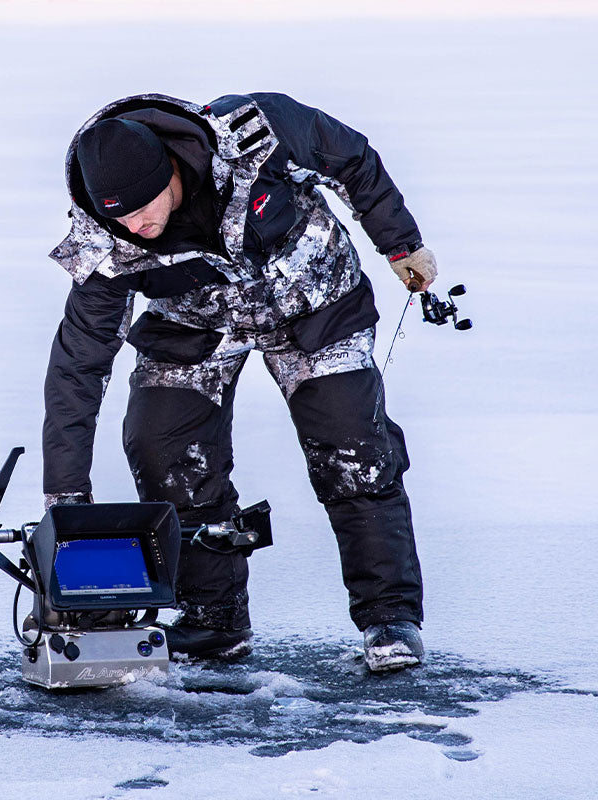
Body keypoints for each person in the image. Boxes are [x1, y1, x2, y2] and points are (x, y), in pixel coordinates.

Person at [42, 92, 435, 672]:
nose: (137, 227)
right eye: (118, 217)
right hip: (196, 321)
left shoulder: (254, 130)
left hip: (314, 302)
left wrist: (400, 242)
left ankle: (389, 617)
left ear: (170, 171)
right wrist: (64, 497)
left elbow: (351, 158)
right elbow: (78, 363)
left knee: (351, 448)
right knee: (163, 446)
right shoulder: (108, 243)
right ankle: (214, 619)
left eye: (143, 207)